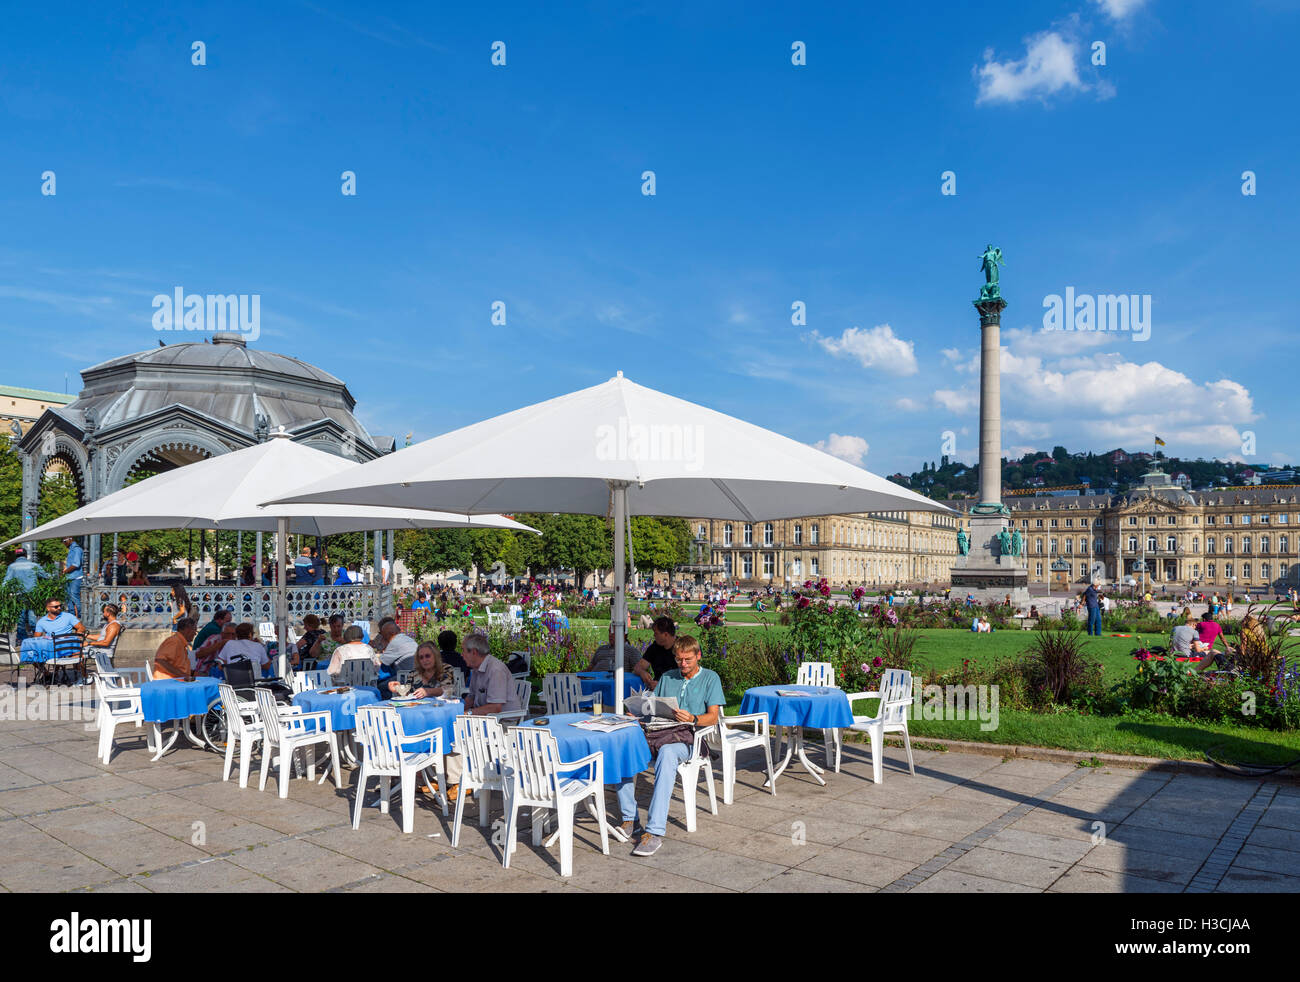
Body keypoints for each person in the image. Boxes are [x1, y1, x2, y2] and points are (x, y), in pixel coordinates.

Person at [619, 635, 724, 857]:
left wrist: (693, 718)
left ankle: (654, 831)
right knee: (624, 749)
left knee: (667, 753)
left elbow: (713, 717)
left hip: (690, 738)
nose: (683, 664)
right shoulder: (668, 677)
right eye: (678, 660)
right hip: (660, 732)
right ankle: (630, 818)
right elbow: (654, 707)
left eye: (687, 660)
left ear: (698, 656)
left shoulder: (710, 678)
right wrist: (638, 713)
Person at [20, 597, 87, 667]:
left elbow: (81, 627)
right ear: (48, 608)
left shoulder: (68, 616)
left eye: (60, 606)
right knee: (33, 654)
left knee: (78, 653)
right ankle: (47, 674)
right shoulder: (42, 621)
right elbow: (36, 638)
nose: (59, 608)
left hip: (67, 645)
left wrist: (77, 633)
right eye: (56, 607)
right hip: (51, 648)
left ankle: (82, 675)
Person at [587, 624, 654, 689]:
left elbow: (639, 670)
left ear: (624, 634)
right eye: (609, 631)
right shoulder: (601, 649)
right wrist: (577, 674)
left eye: (613, 632)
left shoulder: (632, 651)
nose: (610, 634)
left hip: (613, 687)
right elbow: (589, 669)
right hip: (591, 684)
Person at [3, 548, 45, 635]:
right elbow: (46, 576)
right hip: (32, 595)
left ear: (16, 556)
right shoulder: (34, 565)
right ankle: (36, 635)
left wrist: (3, 593)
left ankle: (22, 639)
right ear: (26, 555)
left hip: (18, 595)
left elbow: (6, 582)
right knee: (32, 616)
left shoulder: (12, 567)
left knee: (21, 618)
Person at [62, 536, 84, 618]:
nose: (63, 543)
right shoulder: (71, 549)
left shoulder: (77, 549)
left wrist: (66, 571)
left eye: (64, 541)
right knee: (68, 598)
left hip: (76, 577)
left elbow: (76, 564)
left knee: (74, 596)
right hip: (69, 577)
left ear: (70, 539)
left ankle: (81, 617)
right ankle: (71, 617)